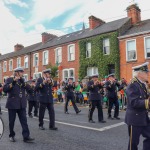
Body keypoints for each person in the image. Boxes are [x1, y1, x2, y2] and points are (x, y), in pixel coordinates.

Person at [3, 67, 35, 143]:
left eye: (22, 72)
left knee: (24, 121)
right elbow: (5, 89)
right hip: (12, 104)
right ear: (16, 72)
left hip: (21, 104)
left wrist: (27, 85)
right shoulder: (9, 79)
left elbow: (30, 90)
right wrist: (13, 82)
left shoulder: (22, 80)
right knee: (12, 121)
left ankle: (26, 137)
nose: (22, 73)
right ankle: (11, 135)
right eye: (21, 72)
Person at [125, 62, 150, 150]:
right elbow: (134, 102)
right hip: (134, 119)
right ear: (139, 74)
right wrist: (148, 102)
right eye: (146, 72)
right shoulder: (132, 85)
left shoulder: (142, 84)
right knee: (133, 143)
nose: (148, 74)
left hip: (143, 117)